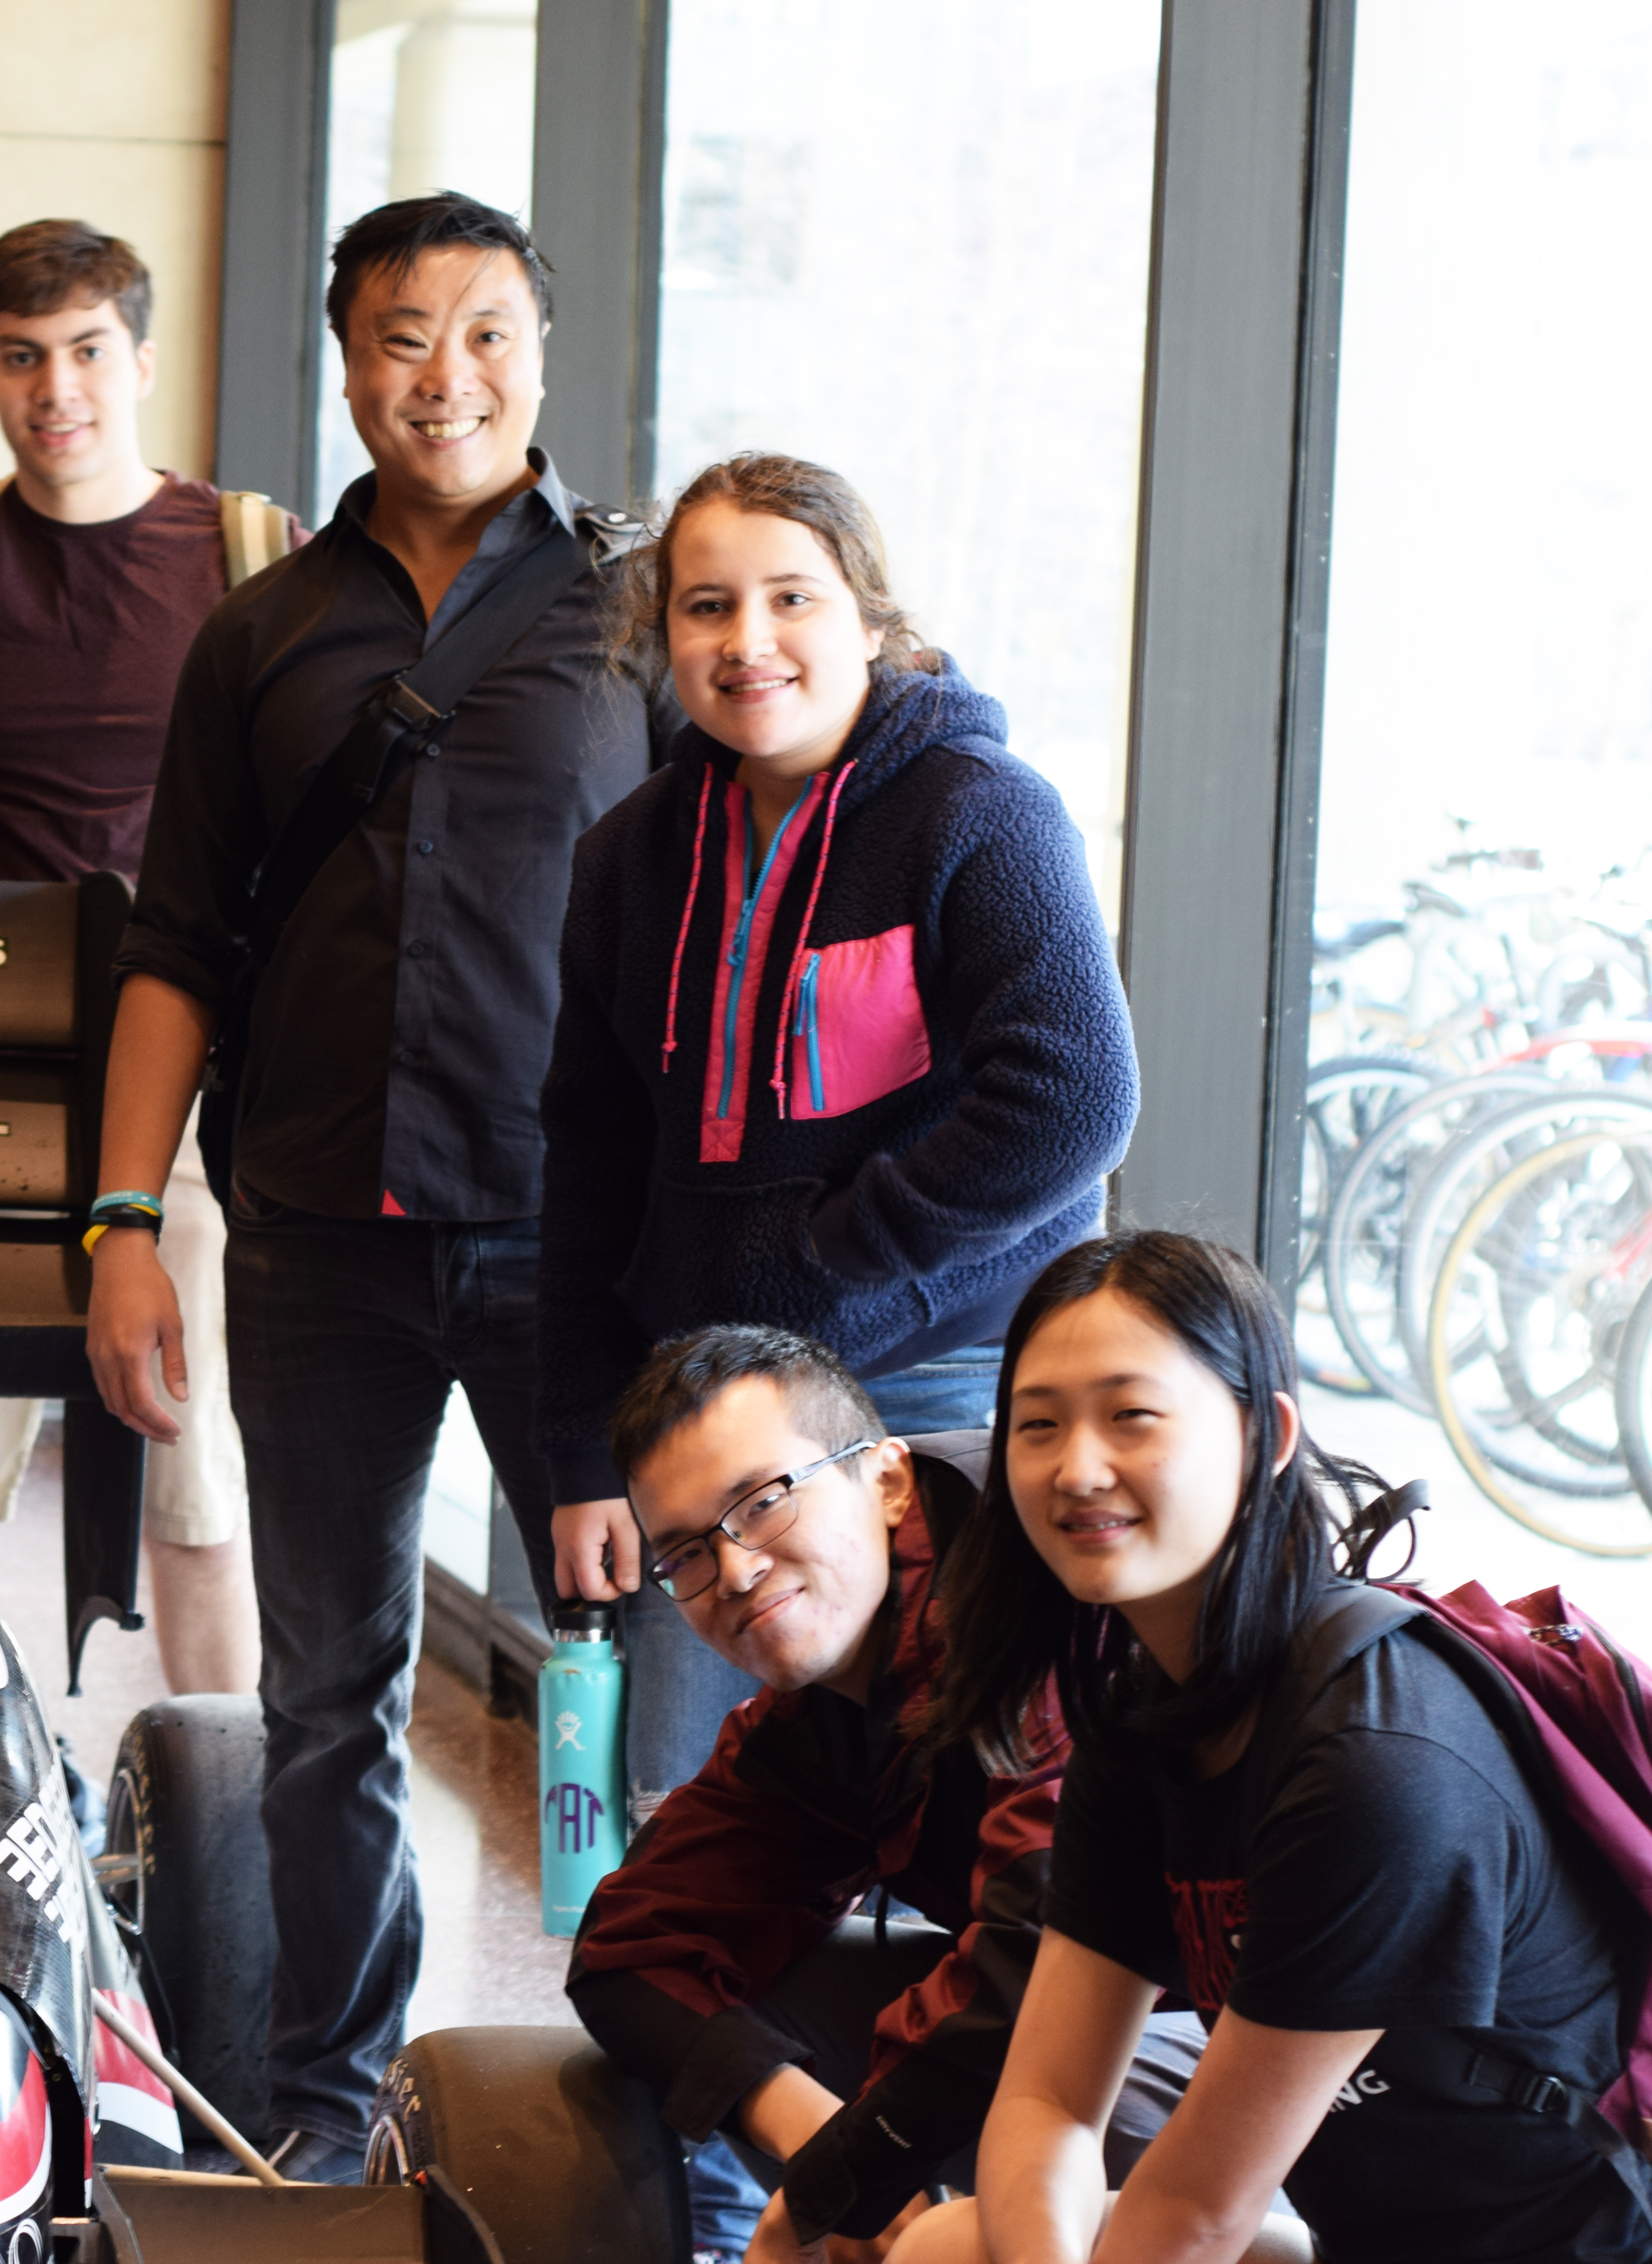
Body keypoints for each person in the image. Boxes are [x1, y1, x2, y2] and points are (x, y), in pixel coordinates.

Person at [87, 190, 666, 2179]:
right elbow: (178, 943)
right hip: (319, 1242)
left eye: (489, 332)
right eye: (406, 336)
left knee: (626, 1671)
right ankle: (324, 2115)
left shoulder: (636, 617)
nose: (449, 374)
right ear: (346, 366)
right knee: (332, 1695)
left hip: (571, 1249)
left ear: (542, 356)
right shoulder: (261, 632)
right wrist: (118, 1229)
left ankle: (651, 2086)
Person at [894, 1230, 1652, 2264]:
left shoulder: (1375, 1762)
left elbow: (1200, 2216)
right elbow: (1046, 2102)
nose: (1078, 1468)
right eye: (1038, 1426)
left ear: (1266, 1438)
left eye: (1132, 1416)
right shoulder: (1148, 1718)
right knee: (950, 2249)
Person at [536, 450, 1135, 1909]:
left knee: (983, 1806)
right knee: (729, 1826)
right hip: (715, 1419)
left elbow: (1073, 1094)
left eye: (790, 598)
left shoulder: (977, 809)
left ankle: (982, 2114)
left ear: (868, 617)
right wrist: (575, 1447)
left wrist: (831, 1256)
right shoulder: (630, 857)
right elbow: (589, 1164)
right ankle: (751, 2120)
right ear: (662, 642)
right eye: (706, 608)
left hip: (951, 1387)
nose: (749, 643)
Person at [0, 217, 267, 1693]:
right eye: (22, 358)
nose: (56, 386)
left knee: (190, 1452)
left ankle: (230, 1806)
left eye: (86, 349)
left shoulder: (250, 557)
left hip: (198, 1062)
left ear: (141, 359)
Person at [569, 1324, 1209, 2264]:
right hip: (1079, 2011)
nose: (737, 1572)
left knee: (1057, 2109)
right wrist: (816, 2136)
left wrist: (848, 2173)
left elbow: (1047, 1938)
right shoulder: (814, 1710)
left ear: (888, 1480)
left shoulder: (1036, 1588)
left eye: (763, 1503)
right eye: (687, 1554)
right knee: (743, 2002)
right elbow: (626, 1953)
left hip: (1282, 2034)